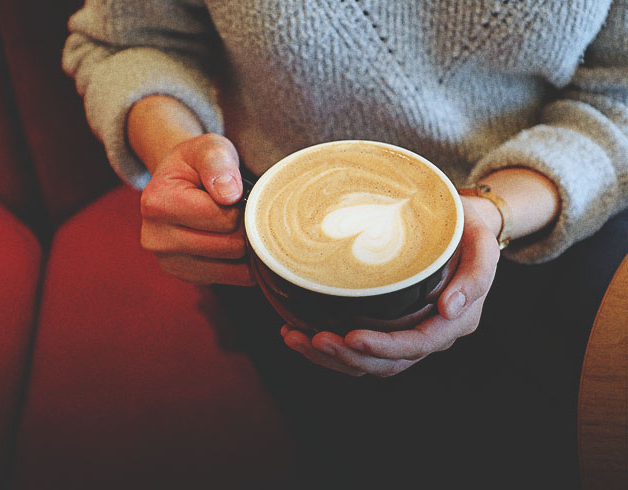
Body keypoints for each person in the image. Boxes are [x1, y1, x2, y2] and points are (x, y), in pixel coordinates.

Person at [63, 1, 628, 487]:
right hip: (281, 255)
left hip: (544, 219)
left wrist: (489, 209)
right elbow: (126, 42)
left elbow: (619, 97)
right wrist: (178, 156)